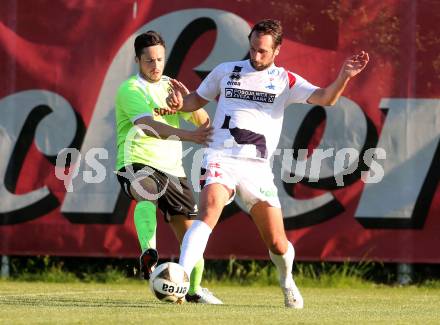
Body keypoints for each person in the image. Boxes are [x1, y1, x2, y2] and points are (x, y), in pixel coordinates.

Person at [167, 19, 369, 308]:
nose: (256, 56)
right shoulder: (226, 71)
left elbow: (326, 98)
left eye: (262, 51)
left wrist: (344, 76)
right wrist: (179, 103)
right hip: (220, 156)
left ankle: (287, 281)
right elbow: (194, 101)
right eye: (252, 49)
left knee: (276, 243)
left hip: (256, 168)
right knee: (209, 210)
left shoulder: (285, 80)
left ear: (277, 50)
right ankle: (181, 281)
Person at [114, 30, 222, 304]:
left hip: (173, 170)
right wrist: (188, 137)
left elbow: (203, 122)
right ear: (138, 60)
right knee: (146, 191)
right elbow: (147, 127)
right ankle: (148, 254)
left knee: (192, 239)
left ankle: (194, 290)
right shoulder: (130, 90)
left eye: (160, 59)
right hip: (136, 160)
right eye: (149, 60)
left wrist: (187, 100)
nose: (156, 65)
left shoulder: (171, 87)